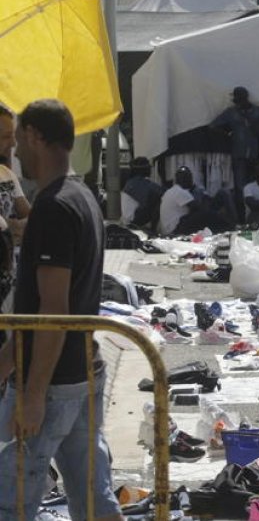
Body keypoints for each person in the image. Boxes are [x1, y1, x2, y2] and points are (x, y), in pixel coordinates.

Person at [0, 99, 122, 520]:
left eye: (17, 139)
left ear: (34, 135)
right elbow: (37, 310)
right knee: (93, 498)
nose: (14, 150)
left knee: (12, 502)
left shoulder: (53, 207)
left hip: (51, 384)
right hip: (82, 372)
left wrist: (32, 395)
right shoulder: (82, 195)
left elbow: (53, 310)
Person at [209, 86, 259, 221]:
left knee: (254, 187)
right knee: (240, 189)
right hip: (239, 155)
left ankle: (255, 217)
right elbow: (213, 126)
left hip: (254, 155)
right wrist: (229, 134)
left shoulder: (257, 112)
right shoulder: (231, 112)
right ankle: (241, 218)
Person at [0, 105, 30, 312]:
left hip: (8, 284)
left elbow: (34, 220)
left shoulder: (6, 174)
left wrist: (11, 227)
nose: (12, 143)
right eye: (5, 136)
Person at [120, 156, 162, 231]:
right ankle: (153, 230)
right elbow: (160, 192)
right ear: (142, 170)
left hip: (130, 219)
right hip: (133, 222)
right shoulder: (137, 183)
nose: (150, 170)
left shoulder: (132, 182)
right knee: (157, 198)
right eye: (148, 168)